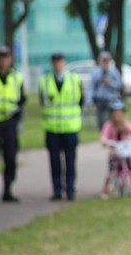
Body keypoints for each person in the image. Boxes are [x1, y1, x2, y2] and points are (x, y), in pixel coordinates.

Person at [40, 52, 83, 201]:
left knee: (70, 160)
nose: (57, 64)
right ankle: (57, 189)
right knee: (54, 160)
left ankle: (70, 189)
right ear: (52, 64)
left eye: (59, 61)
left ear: (64, 62)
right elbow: (42, 102)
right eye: (55, 61)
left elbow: (80, 101)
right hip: (52, 128)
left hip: (70, 127)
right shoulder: (44, 81)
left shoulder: (74, 80)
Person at [0, 46, 26, 202]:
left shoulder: (17, 78)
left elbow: (22, 99)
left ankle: (7, 189)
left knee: (10, 156)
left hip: (9, 122)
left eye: (5, 57)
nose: (3, 60)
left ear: (10, 59)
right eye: (0, 57)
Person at [99, 100, 131, 199]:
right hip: (114, 151)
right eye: (115, 113)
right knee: (111, 171)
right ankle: (105, 190)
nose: (118, 115)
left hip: (125, 151)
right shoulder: (109, 125)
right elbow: (104, 137)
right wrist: (105, 141)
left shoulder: (126, 124)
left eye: (120, 113)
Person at [86, 51, 122, 130]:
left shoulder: (114, 72)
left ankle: (110, 136)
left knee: (110, 121)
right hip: (100, 101)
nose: (104, 63)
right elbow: (92, 87)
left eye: (106, 61)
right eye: (103, 61)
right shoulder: (96, 73)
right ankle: (103, 137)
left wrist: (109, 83)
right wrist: (89, 100)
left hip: (111, 100)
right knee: (100, 122)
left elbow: (119, 85)